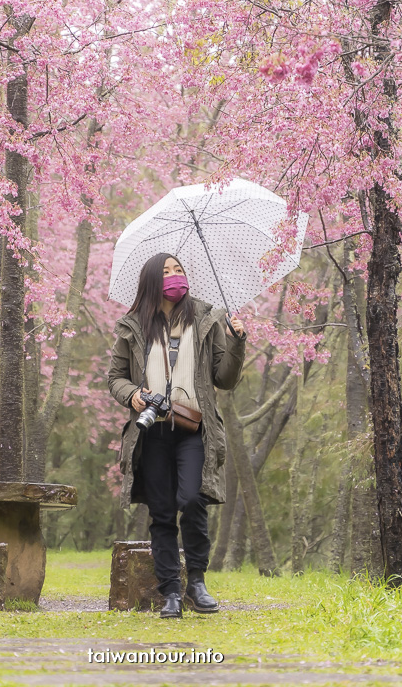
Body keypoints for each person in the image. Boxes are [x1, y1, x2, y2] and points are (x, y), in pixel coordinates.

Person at [108, 252, 247, 618]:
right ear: (153, 281)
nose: (175, 277)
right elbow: (115, 378)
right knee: (163, 512)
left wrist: (236, 342)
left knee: (192, 498)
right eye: (166, 272)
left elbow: (225, 379)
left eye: (179, 270)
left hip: (194, 429)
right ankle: (170, 591)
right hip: (150, 430)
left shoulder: (205, 318)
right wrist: (134, 395)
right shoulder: (132, 326)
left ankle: (197, 582)